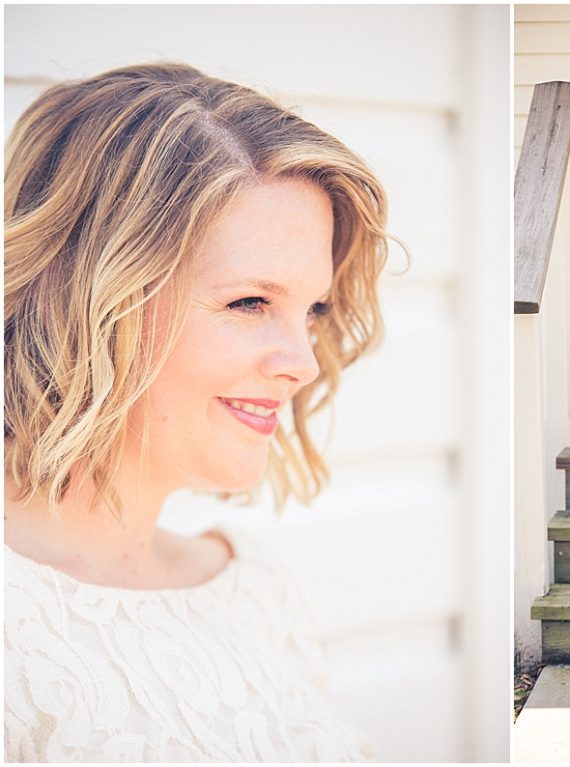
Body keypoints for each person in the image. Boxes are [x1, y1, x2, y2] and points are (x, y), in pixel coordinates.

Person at [4, 63, 387, 761]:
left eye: (314, 310)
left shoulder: (257, 590)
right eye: (250, 302)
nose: (301, 360)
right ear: (81, 288)